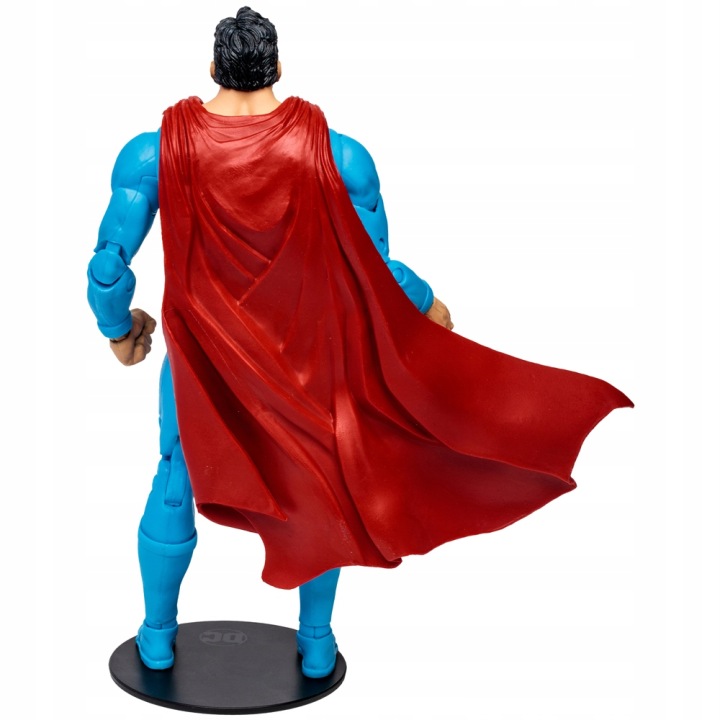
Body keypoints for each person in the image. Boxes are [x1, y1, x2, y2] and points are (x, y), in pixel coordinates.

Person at [88, 6, 631, 680]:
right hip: (304, 364)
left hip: (201, 367)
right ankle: (316, 644)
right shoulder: (339, 156)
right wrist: (425, 301)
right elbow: (375, 270)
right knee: (318, 493)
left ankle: (157, 639)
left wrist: (119, 328)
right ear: (278, 67)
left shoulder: (153, 153)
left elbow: (106, 266)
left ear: (212, 68)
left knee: (175, 481)